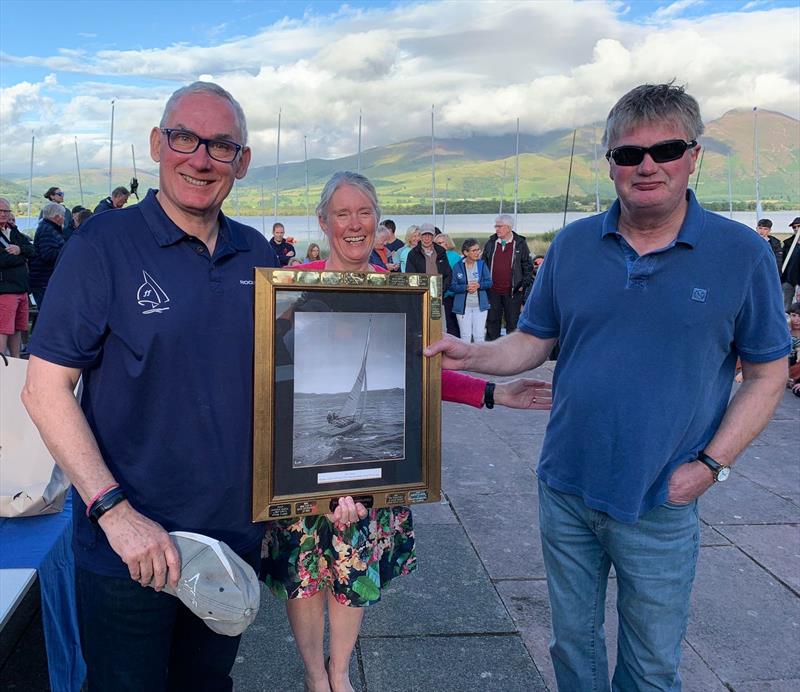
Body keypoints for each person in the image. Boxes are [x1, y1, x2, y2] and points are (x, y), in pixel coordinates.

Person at [425, 82, 790, 692]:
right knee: (573, 650)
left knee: (650, 667)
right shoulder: (571, 246)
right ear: (611, 164)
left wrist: (711, 465)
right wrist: (475, 354)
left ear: (693, 156)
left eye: (665, 149)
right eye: (628, 154)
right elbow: (534, 341)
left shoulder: (741, 254)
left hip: (660, 498)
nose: (646, 165)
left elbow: (768, 372)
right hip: (565, 486)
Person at [22, 81, 281, 691]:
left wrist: (321, 483)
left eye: (221, 146)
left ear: (241, 163)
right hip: (129, 551)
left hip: (230, 542)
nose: (200, 158)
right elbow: (44, 389)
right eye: (184, 138)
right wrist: (114, 512)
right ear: (156, 145)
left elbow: (291, 384)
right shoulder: (101, 247)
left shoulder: (260, 255)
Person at [262, 171, 551, 692]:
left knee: (355, 570)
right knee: (303, 575)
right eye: (342, 213)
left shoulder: (403, 293)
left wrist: (495, 392)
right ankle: (312, 674)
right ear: (324, 221)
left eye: (364, 212)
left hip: (374, 471)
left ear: (379, 222)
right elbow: (265, 372)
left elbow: (424, 372)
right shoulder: (287, 288)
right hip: (297, 464)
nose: (354, 224)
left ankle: (340, 671)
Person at [481, 214, 533, 340]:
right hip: (493, 291)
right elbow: (483, 264)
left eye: (500, 226)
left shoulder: (520, 243)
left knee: (512, 323)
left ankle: (513, 354)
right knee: (492, 322)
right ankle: (492, 351)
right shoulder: (491, 242)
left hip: (513, 292)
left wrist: (522, 285)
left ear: (509, 228)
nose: (497, 229)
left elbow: (527, 266)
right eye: (496, 226)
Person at [0, 197, 35, 357]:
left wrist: (19, 250)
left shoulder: (12, 230)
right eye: (0, 211)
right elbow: (3, 260)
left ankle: (15, 359)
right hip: (5, 289)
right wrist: (22, 256)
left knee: (17, 328)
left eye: (6, 211)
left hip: (21, 288)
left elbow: (32, 249)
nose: (3, 214)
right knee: (3, 328)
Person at [451, 238, 492, 344]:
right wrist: (465, 287)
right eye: (474, 250)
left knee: (479, 335)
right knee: (465, 336)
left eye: (478, 250)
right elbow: (452, 286)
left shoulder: (482, 265)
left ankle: (480, 360)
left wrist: (479, 285)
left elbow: (489, 282)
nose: (477, 252)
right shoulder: (457, 266)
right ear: (465, 252)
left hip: (480, 307)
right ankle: (466, 360)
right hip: (464, 308)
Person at [28, 201, 67, 308]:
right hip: (43, 280)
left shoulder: (48, 228)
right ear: (57, 217)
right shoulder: (48, 230)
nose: (64, 219)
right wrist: (66, 251)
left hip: (44, 279)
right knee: (49, 311)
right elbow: (48, 254)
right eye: (63, 216)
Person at [405, 223, 452, 292]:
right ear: (420, 236)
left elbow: (448, 273)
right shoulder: (413, 254)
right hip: (420, 294)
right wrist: (420, 290)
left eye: (429, 235)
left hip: (439, 293)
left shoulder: (441, 251)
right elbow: (410, 276)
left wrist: (442, 289)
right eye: (424, 235)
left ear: (434, 237)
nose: (427, 238)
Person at [435, 233, 462, 337]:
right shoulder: (435, 256)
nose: (439, 245)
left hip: (451, 294)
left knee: (451, 323)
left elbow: (457, 276)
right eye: (437, 243)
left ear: (447, 243)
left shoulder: (454, 256)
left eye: (441, 242)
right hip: (439, 293)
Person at [781, 217, 800, 310]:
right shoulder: (788, 243)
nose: (796, 229)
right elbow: (782, 260)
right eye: (794, 227)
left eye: (798, 226)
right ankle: (786, 323)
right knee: (786, 305)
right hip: (788, 279)